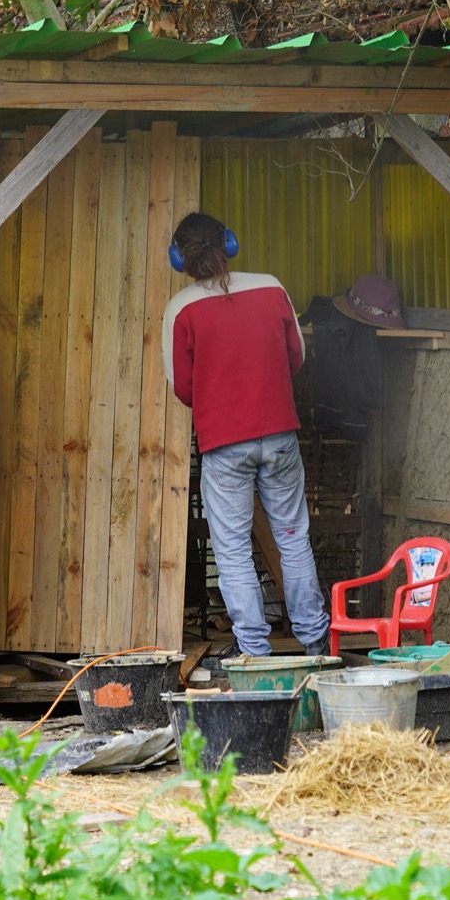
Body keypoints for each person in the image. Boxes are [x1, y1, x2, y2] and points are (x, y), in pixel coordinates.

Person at [160, 212, 331, 657]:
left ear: (179, 258)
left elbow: (183, 388)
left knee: (233, 550)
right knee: (292, 537)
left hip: (224, 446)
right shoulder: (272, 288)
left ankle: (254, 651)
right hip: (280, 435)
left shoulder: (180, 310)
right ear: (229, 243)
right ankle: (316, 641)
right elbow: (296, 358)